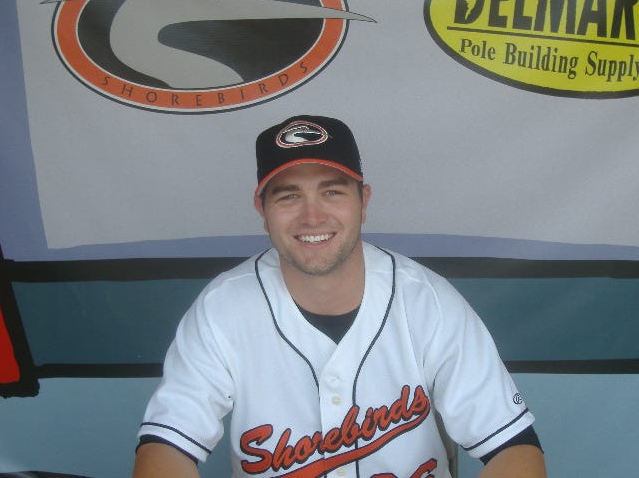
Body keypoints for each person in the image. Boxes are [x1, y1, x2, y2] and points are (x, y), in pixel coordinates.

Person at [132, 115, 547, 478]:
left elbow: (515, 448)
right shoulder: (222, 309)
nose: (312, 216)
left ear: (363, 201)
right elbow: (165, 446)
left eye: (332, 192)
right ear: (262, 209)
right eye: (289, 195)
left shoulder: (427, 303)